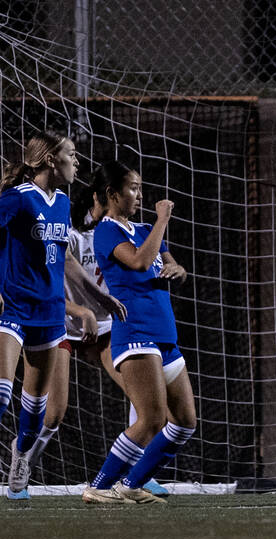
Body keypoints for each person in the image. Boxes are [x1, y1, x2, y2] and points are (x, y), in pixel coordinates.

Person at [11, 174, 166, 498]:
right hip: (62, 323)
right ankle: (21, 469)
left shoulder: (117, 232)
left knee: (143, 399)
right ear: (103, 197)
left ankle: (133, 473)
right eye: (130, 191)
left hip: (104, 326)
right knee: (54, 414)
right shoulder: (68, 232)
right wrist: (77, 310)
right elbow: (47, 283)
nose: (133, 199)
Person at [0, 132, 79, 503]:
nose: (77, 162)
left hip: (48, 311)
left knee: (35, 407)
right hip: (9, 307)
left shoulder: (63, 204)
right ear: (49, 161)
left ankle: (20, 455)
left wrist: (98, 297)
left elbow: (65, 259)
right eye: (71, 155)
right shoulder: (19, 197)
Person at [81, 162, 195, 504]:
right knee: (151, 419)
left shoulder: (146, 228)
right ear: (113, 194)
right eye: (133, 188)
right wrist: (162, 220)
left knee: (184, 422)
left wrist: (178, 270)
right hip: (135, 332)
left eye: (141, 188)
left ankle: (131, 484)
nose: (140, 195)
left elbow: (168, 264)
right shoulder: (106, 230)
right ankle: (99, 487)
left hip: (164, 332)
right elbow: (140, 263)